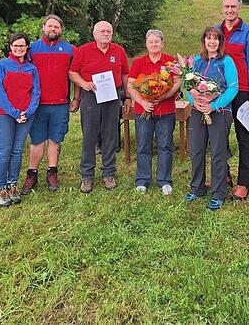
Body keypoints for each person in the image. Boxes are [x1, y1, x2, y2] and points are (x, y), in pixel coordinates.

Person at [68, 21, 130, 193]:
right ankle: (87, 176)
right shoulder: (83, 50)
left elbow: (125, 74)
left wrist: (128, 96)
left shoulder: (118, 50)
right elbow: (73, 72)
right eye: (102, 31)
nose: (106, 34)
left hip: (113, 96)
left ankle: (109, 173)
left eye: (109, 31)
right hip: (91, 96)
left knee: (110, 134)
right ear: (94, 34)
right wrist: (84, 84)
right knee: (89, 135)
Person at [184, 26, 239, 211]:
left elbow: (233, 87)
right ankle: (197, 188)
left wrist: (213, 105)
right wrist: (196, 102)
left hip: (220, 112)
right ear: (204, 41)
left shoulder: (227, 61)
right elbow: (187, 84)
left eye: (216, 38)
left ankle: (218, 193)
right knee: (197, 151)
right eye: (208, 38)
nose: (212, 41)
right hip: (198, 111)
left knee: (218, 153)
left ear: (220, 42)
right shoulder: (196, 60)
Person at [23, 15, 79, 195]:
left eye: (56, 26)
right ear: (43, 27)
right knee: (37, 140)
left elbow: (76, 76)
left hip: (60, 103)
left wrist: (76, 98)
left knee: (56, 139)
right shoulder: (31, 48)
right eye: (50, 26)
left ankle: (52, 173)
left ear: (61, 29)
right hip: (37, 104)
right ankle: (32, 174)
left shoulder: (70, 49)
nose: (53, 29)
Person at [126, 29, 181, 196]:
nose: (154, 44)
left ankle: (164, 181)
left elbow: (178, 81)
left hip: (166, 110)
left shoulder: (171, 62)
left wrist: (164, 96)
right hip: (143, 111)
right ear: (146, 44)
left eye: (157, 42)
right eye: (150, 42)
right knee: (143, 145)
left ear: (162, 44)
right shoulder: (138, 62)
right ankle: (142, 180)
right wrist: (142, 101)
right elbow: (131, 86)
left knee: (165, 145)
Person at [218, 0, 249, 200]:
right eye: (226, 6)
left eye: (233, 7)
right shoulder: (215, 32)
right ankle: (223, 176)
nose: (230, 10)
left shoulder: (248, 33)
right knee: (219, 136)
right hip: (219, 92)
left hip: (242, 91)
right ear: (222, 8)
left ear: (239, 9)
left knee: (244, 137)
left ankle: (243, 183)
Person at [0, 33, 40, 208]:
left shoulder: (31, 68)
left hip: (26, 115)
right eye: (15, 45)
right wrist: (14, 112)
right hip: (4, 114)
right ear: (10, 47)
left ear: (27, 47)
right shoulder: (1, 65)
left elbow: (36, 92)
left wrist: (28, 111)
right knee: (4, 150)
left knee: (17, 150)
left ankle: (13, 185)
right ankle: (1, 188)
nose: (19, 48)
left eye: (22, 45)